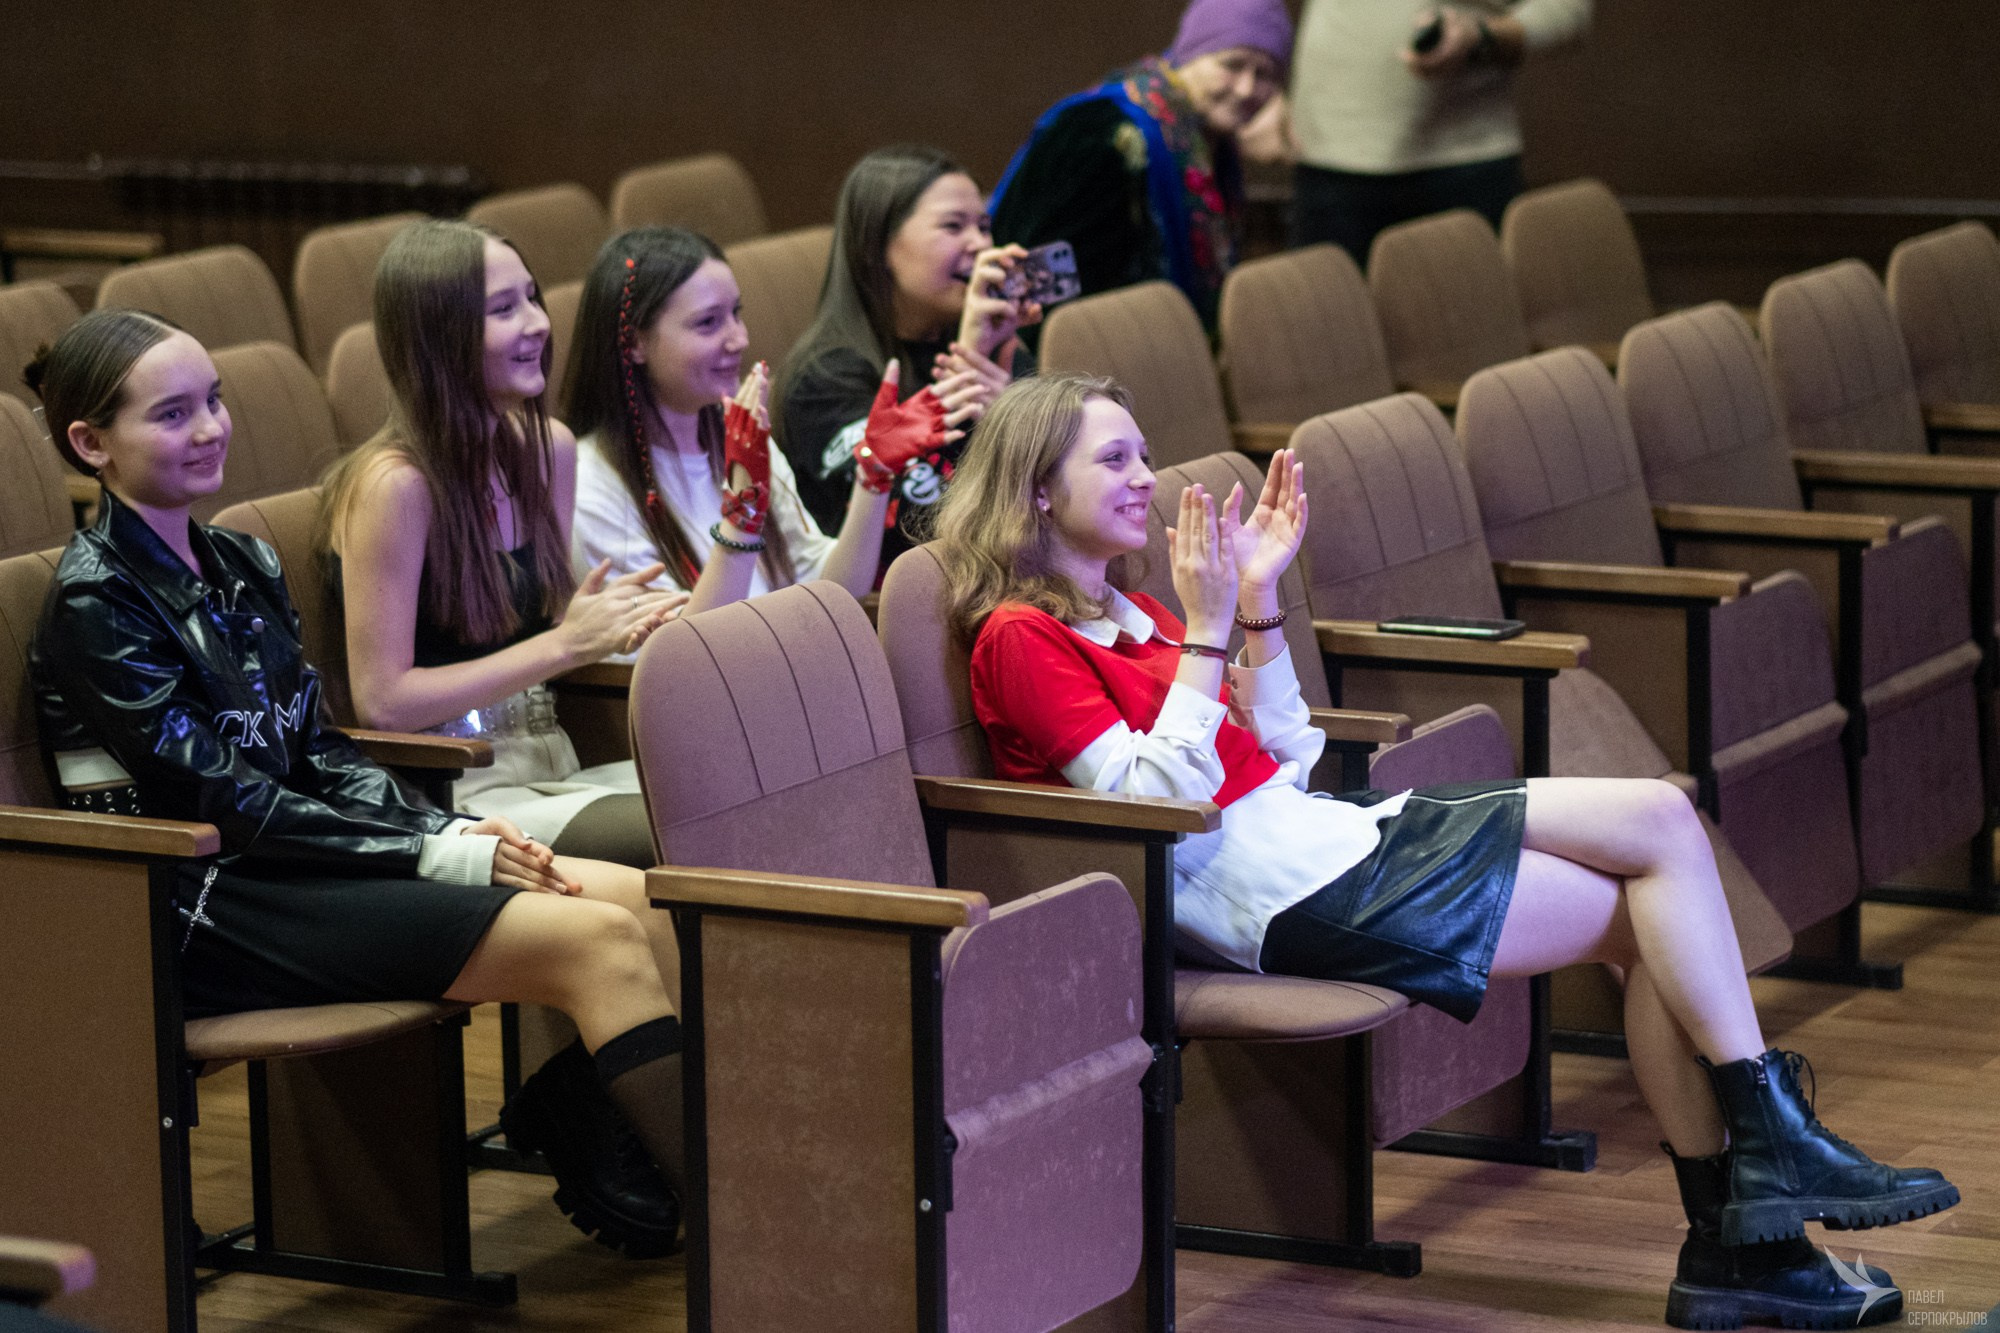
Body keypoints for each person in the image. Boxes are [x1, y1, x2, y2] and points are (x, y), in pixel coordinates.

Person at [933, 371, 1954, 1330]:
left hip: (1328, 840)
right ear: (1031, 490)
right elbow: (1157, 803)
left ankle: (1757, 1202)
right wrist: (1204, 633)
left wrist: (1251, 606)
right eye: (1113, 461)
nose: (1146, 480)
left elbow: (1287, 756)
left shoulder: (1138, 615)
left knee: (1658, 819)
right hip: (1269, 899)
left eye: (1142, 455)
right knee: (1654, 918)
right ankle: (1747, 1234)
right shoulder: (1018, 640)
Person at [26, 308, 688, 1258]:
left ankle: (588, 1116)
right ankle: (740, 1229)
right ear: (92, 443)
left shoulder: (241, 560)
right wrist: (436, 849)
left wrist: (447, 834)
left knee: (649, 902)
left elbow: (317, 750)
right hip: (203, 898)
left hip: (297, 862)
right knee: (593, 935)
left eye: (213, 401)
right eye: (171, 415)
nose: (211, 428)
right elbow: (231, 801)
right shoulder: (97, 604)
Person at [319, 219, 674, 871]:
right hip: (458, 788)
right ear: (440, 338)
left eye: (533, 298)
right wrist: (563, 643)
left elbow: (541, 626)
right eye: (505, 309)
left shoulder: (549, 452)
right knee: (692, 827)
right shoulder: (395, 486)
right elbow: (384, 701)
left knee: (755, 786)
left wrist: (609, 620)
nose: (538, 323)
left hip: (556, 759)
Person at [563, 226, 956, 618]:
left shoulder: (743, 439)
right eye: (708, 323)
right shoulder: (590, 483)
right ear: (635, 343)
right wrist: (742, 514)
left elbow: (833, 587)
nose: (739, 339)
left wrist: (874, 475)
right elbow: (680, 657)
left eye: (736, 314)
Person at [775, 144, 1040, 569]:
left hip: (1014, 573)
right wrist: (990, 420)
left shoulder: (997, 349)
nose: (982, 244)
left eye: (984, 226)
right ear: (877, 245)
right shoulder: (822, 383)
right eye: (953, 227)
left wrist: (1012, 409)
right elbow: (915, 528)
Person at [988, 0, 1292, 331]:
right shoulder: (1105, 131)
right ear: (1190, 53)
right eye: (1232, 65)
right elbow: (1037, 277)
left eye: (1264, 74)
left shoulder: (1208, 142)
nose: (1247, 88)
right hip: (1085, 357)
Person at [1289, 0, 1592, 265]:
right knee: (1327, 323)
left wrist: (1482, 36)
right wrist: (1257, 71)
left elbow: (1568, 9)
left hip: (1466, 158)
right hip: (1328, 151)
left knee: (1464, 323)